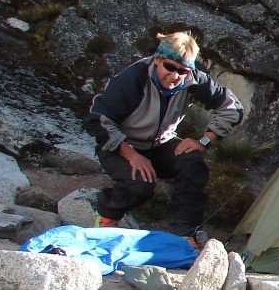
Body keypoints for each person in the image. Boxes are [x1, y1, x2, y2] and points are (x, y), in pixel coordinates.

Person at [84, 29, 244, 246]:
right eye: (169, 67)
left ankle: (185, 233)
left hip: (161, 143)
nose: (175, 75)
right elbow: (99, 118)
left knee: (192, 161)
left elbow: (232, 107)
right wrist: (130, 154)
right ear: (158, 60)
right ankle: (106, 214)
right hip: (121, 145)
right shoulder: (133, 78)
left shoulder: (195, 80)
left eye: (183, 70)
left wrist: (204, 141)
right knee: (141, 184)